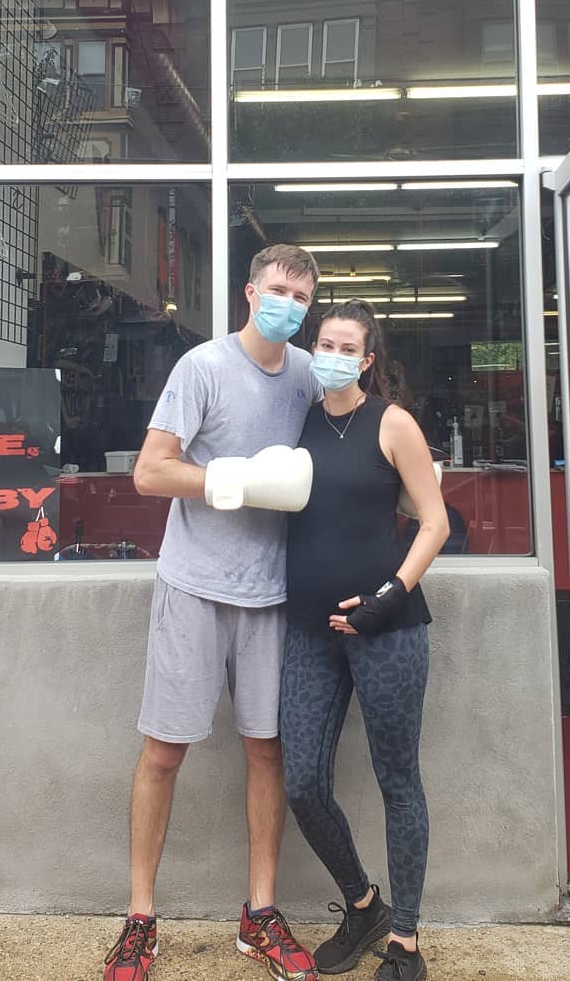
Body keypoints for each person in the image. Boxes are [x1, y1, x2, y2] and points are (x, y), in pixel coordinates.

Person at [102, 244, 322, 981]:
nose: (288, 303)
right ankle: (140, 918)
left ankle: (260, 913)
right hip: (194, 585)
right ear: (250, 293)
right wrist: (237, 482)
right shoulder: (202, 367)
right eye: (278, 289)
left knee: (267, 751)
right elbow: (149, 471)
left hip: (271, 593)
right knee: (164, 752)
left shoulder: (308, 376)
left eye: (301, 295)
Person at [280, 300, 449, 981]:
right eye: (324, 343)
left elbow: (434, 522)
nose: (334, 356)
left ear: (368, 359)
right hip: (309, 631)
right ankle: (362, 904)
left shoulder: (393, 423)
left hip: (388, 631)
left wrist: (388, 598)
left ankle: (404, 938)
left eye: (347, 347)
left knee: (397, 781)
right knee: (302, 783)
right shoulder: (297, 421)